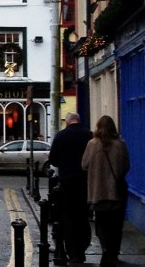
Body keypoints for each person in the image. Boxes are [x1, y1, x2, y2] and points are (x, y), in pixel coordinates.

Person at [82, 115, 130, 267]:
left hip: (98, 193)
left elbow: (84, 165)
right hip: (116, 193)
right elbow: (126, 166)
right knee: (116, 226)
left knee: (101, 225)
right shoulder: (120, 144)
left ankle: (105, 250)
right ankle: (113, 253)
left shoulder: (92, 144)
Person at [48, 112, 93, 264]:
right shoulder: (89, 135)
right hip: (85, 182)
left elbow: (53, 160)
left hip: (67, 183)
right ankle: (82, 249)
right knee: (83, 216)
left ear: (67, 122)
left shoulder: (61, 136)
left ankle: (72, 250)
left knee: (69, 218)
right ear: (79, 121)